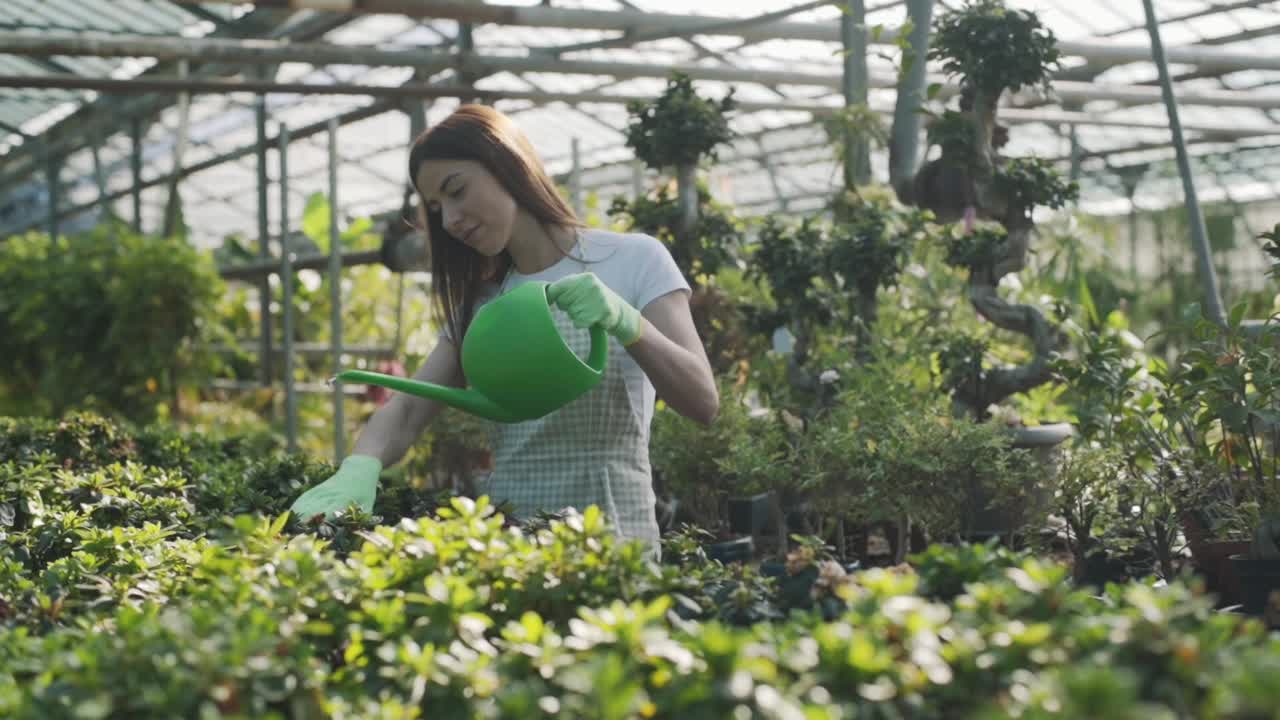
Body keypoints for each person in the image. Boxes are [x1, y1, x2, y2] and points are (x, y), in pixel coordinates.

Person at [288, 104, 719, 552]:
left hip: (617, 543)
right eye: (436, 209)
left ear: (507, 163)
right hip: (512, 555)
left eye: (457, 191)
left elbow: (703, 401)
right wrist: (361, 464)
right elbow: (409, 411)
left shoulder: (634, 260)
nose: (450, 220)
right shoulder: (482, 303)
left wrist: (630, 323)